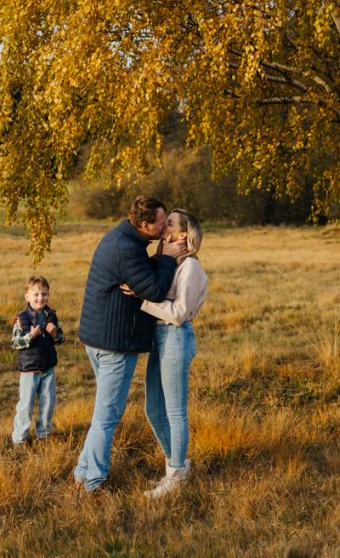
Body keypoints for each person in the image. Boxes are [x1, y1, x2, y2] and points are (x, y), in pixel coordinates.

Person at [73, 196, 187, 494]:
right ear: (144, 225)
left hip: (100, 338)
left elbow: (142, 277)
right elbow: (155, 290)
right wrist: (167, 258)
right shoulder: (127, 249)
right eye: (160, 223)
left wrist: (157, 258)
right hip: (115, 345)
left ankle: (82, 473)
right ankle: (93, 483)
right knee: (107, 416)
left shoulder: (123, 239)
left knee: (103, 413)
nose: (164, 228)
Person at [138, 209, 208, 498]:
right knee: (153, 409)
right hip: (160, 337)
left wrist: (142, 299)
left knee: (175, 411)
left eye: (169, 223)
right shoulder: (171, 263)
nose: (162, 226)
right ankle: (176, 466)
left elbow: (179, 313)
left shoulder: (191, 267)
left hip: (176, 336)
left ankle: (176, 473)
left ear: (183, 234)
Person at [11, 274, 64, 445]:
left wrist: (55, 334)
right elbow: (15, 343)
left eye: (44, 294)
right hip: (29, 370)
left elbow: (61, 339)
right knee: (26, 405)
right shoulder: (22, 319)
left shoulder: (51, 316)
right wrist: (30, 336)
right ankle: (19, 439)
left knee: (48, 403)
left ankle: (44, 436)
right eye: (36, 294)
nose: (40, 298)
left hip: (48, 367)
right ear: (27, 296)